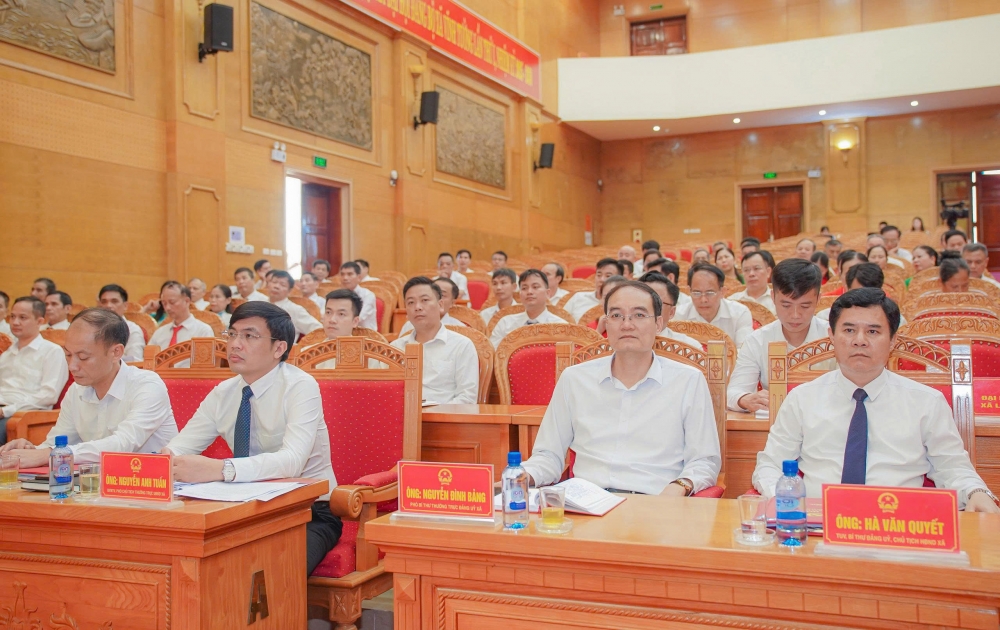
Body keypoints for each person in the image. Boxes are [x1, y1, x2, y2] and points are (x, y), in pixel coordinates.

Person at [752, 288, 999, 513]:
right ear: (831, 336)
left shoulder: (927, 402)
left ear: (892, 340)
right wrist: (785, 502)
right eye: (849, 330)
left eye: (873, 331)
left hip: (900, 524)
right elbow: (770, 465)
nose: (859, 340)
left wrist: (976, 492)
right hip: (819, 523)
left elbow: (952, 467)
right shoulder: (802, 399)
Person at [163, 302, 343, 573]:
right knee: (191, 562)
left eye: (249, 336)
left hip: (307, 512)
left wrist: (221, 469)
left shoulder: (300, 387)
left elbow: (292, 461)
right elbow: (176, 449)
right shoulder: (223, 393)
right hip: (240, 511)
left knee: (272, 573)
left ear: (279, 348)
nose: (235, 344)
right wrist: (166, 464)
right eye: (232, 334)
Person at [522, 281, 721, 496]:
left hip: (655, 501)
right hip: (586, 502)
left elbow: (704, 461)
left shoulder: (688, 381)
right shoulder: (574, 379)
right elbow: (548, 456)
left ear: (658, 323)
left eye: (639, 315)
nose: (627, 325)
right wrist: (522, 475)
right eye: (616, 315)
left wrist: (680, 486)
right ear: (606, 323)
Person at [0, 308, 178, 466]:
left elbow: (122, 444)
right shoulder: (76, 390)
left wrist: (48, 454)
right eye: (68, 355)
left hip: (152, 482)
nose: (72, 366)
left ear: (116, 352)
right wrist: (31, 450)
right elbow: (56, 445)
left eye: (83, 357)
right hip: (97, 482)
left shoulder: (147, 386)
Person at [727, 260, 830, 413]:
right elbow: (733, 392)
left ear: (818, 299)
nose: (795, 315)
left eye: (805, 306)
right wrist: (745, 399)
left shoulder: (833, 337)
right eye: (786, 305)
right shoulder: (758, 340)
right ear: (773, 297)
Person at [391, 277, 478, 405]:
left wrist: (431, 411)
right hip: (401, 415)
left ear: (440, 305)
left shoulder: (461, 346)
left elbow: (467, 399)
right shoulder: (394, 349)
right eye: (411, 302)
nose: (417, 307)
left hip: (444, 416)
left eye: (425, 300)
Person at [0, 297, 69, 442]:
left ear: (40, 321)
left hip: (23, 415)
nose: (15, 322)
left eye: (22, 317)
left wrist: (5, 411)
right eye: (12, 316)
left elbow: (48, 396)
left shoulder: (52, 352)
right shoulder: (7, 353)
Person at [674, 264, 754, 347]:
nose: (703, 300)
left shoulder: (740, 313)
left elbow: (744, 350)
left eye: (710, 293)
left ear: (722, 292)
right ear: (689, 291)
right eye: (697, 293)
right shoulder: (678, 315)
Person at [489, 270, 569, 346]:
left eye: (535, 287)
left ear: (547, 293)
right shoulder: (505, 323)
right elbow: (494, 353)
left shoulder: (561, 327)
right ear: (520, 295)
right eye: (524, 288)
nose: (529, 292)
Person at [147, 282, 215, 360]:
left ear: (187, 301)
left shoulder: (203, 331)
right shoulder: (160, 332)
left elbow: (205, 363)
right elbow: (148, 360)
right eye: (164, 303)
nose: (167, 308)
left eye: (172, 302)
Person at [639, 272, 701, 351]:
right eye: (642, 301)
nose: (647, 308)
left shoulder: (690, 348)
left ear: (671, 312)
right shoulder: (623, 343)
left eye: (657, 303)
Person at [397, 277, 465, 335]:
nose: (438, 298)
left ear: (452, 303)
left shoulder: (461, 329)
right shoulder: (408, 326)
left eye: (442, 295)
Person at [97, 284, 147, 362]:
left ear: (125, 306)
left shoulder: (132, 330)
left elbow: (135, 361)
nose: (108, 305)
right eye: (104, 302)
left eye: (114, 301)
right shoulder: (94, 329)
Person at [268, 271, 322, 337]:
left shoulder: (295, 310)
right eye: (274, 282)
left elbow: (319, 331)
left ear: (290, 291)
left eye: (283, 285)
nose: (276, 286)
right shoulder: (259, 304)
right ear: (268, 284)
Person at [339, 262, 378, 330]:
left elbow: (360, 318)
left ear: (359, 277)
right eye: (342, 274)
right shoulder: (337, 295)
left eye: (349, 274)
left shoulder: (368, 295)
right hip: (341, 332)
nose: (345, 278)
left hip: (365, 334)